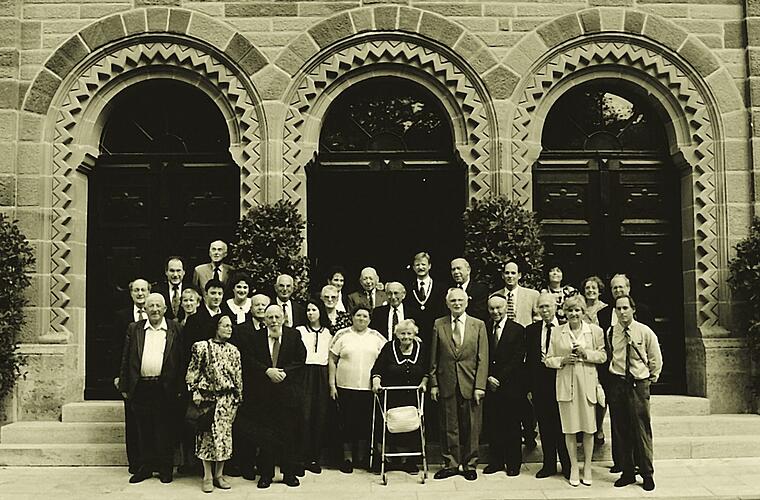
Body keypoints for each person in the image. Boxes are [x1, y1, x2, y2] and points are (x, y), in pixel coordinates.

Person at [118, 293, 183, 484]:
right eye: (151, 306)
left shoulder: (175, 328)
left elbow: (181, 359)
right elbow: (126, 357)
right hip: (141, 386)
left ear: (165, 309)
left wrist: (180, 387)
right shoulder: (135, 328)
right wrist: (124, 384)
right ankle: (145, 467)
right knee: (143, 429)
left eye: (158, 306)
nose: (155, 309)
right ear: (145, 309)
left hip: (165, 387)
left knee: (165, 429)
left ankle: (165, 468)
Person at [241, 304, 306, 489]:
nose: (274, 321)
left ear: (283, 318)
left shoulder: (294, 335)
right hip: (264, 394)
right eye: (270, 317)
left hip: (287, 392)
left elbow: (300, 359)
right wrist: (267, 371)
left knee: (288, 434)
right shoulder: (256, 337)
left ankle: (289, 473)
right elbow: (249, 360)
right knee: (265, 436)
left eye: (277, 317)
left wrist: (284, 372)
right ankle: (266, 474)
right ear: (264, 319)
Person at [544, 294, 607, 487]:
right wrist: (562, 360)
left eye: (577, 310)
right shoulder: (557, 332)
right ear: (565, 312)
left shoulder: (594, 331)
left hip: (586, 384)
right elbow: (548, 359)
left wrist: (586, 354)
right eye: (570, 310)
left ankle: (587, 467)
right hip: (566, 384)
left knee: (589, 428)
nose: (574, 314)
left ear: (583, 312)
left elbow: (603, 356)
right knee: (569, 429)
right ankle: (573, 466)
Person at [429, 287, 488, 481]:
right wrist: (434, 383)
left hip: (470, 383)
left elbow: (483, 358)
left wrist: (480, 386)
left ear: (466, 302)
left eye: (460, 300)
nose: (456, 304)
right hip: (447, 382)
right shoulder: (439, 324)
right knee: (449, 425)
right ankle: (451, 464)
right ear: (447, 304)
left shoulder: (478, 325)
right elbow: (434, 357)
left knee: (472, 426)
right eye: (453, 301)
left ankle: (470, 464)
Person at [598, 273, 654, 473]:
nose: (618, 290)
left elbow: (653, 352)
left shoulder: (643, 316)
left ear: (628, 288)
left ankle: (644, 467)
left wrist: (649, 376)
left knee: (639, 424)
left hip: (637, 379)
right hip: (616, 378)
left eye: (621, 287)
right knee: (619, 424)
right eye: (614, 288)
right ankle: (623, 465)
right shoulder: (605, 318)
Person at [608, 295, 663, 492]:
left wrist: (650, 377)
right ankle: (628, 472)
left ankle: (647, 473)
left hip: (638, 384)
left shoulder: (644, 331)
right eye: (618, 308)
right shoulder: (611, 332)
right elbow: (611, 355)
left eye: (625, 308)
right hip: (618, 383)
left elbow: (655, 357)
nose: (622, 312)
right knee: (621, 429)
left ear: (633, 309)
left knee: (641, 428)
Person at [185, 315, 243, 493]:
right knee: (206, 438)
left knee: (224, 438)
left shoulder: (234, 351)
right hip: (207, 400)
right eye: (225, 326)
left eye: (230, 326)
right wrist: (195, 392)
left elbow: (238, 378)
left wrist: (237, 400)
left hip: (227, 400)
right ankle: (207, 476)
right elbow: (193, 371)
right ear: (216, 328)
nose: (229, 329)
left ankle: (219, 475)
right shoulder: (202, 347)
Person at [329, 305, 387, 473]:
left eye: (365, 316)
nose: (361, 319)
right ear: (352, 317)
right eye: (358, 315)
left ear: (370, 319)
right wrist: (332, 385)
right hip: (345, 387)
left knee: (364, 424)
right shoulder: (342, 335)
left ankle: (361, 458)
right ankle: (347, 459)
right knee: (346, 423)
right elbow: (332, 360)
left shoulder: (376, 337)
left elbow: (387, 357)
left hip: (368, 389)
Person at [370, 319, 429, 474]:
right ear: (396, 334)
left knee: (411, 426)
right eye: (402, 333)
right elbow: (377, 369)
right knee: (389, 425)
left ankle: (408, 461)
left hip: (413, 396)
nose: (406, 337)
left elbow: (427, 371)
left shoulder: (421, 348)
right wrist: (376, 382)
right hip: (392, 396)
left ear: (415, 334)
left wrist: (424, 383)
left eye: (409, 333)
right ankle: (386, 460)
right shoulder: (389, 348)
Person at [493, 261, 539, 448]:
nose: (510, 276)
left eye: (513, 273)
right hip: (505, 358)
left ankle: (529, 433)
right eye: (507, 273)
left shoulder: (532, 295)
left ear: (519, 275)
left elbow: (538, 319)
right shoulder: (495, 297)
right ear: (502, 275)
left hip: (525, 354)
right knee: (508, 401)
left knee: (525, 399)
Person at [525, 292, 570, 480]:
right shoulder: (531, 330)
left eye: (547, 306)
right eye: (541, 307)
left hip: (562, 380)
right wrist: (529, 387)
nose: (544, 310)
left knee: (563, 425)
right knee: (545, 425)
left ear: (555, 307)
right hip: (540, 384)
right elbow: (529, 361)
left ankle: (567, 465)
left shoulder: (565, 328)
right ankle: (549, 464)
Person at [483, 294, 526, 477]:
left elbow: (517, 358)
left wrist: (498, 378)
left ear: (506, 308)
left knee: (512, 425)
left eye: (498, 308)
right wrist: (488, 377)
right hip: (489, 384)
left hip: (510, 385)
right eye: (492, 308)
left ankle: (513, 463)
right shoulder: (484, 327)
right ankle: (496, 461)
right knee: (493, 424)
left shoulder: (517, 329)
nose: (495, 312)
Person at [113, 278, 150, 475]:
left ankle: (151, 461)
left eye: (143, 290)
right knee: (132, 420)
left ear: (149, 292)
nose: (140, 293)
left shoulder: (156, 314)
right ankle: (135, 462)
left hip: (152, 375)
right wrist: (118, 376)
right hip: (131, 376)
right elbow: (116, 349)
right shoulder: (121, 316)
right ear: (131, 293)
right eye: (136, 290)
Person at [296, 299, 333, 474]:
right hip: (304, 373)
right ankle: (300, 458)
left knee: (320, 415)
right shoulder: (299, 331)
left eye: (314, 310)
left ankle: (314, 458)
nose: (310, 313)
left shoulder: (329, 333)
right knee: (304, 416)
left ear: (321, 312)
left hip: (322, 375)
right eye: (308, 310)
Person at [581, 275, 609, 446]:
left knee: (600, 394)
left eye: (594, 288)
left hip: (600, 355)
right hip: (583, 356)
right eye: (587, 288)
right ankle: (585, 426)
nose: (590, 291)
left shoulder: (605, 309)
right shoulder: (580, 308)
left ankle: (599, 427)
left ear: (599, 291)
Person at [405, 252, 446, 340]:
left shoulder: (440, 288)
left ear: (429, 266)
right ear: (413, 268)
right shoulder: (408, 288)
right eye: (417, 265)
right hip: (415, 335)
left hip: (436, 333)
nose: (420, 267)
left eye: (423, 264)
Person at [154, 257, 190, 322]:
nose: (175, 274)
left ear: (184, 272)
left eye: (178, 271)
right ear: (166, 272)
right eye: (172, 271)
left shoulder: (192, 289)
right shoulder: (157, 291)